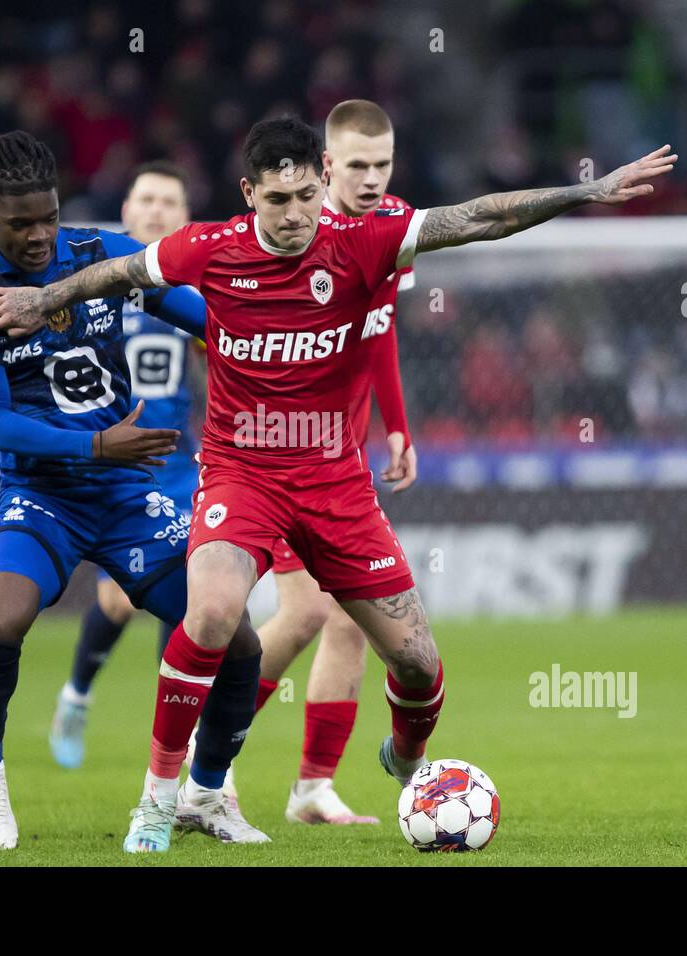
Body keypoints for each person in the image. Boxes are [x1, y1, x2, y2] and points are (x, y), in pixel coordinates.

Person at [0, 116, 676, 854]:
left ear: (322, 183)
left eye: (306, 195)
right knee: (213, 613)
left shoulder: (364, 239)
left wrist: (587, 190)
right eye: (275, 200)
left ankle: (405, 760)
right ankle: (161, 800)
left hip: (336, 483)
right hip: (240, 473)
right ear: (249, 193)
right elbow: (120, 271)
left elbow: (480, 217)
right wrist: (40, 299)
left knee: (416, 662)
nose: (292, 215)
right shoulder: (209, 249)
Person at [0, 93, 265, 851]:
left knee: (234, 638)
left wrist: (265, 336)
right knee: (0, 617)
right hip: (45, 492)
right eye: (22, 224)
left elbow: (201, 316)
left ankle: (207, 795)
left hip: (128, 493)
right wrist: (92, 448)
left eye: (48, 216)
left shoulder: (98, 256)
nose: (41, 235)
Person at [249, 99, 418, 827]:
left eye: (382, 164)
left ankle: (312, 790)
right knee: (308, 612)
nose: (373, 179)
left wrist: (397, 428)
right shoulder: (297, 228)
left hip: (342, 456)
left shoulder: (392, 228)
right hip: (282, 453)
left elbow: (380, 329)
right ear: (327, 165)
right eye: (357, 166)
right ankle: (202, 757)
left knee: (350, 620)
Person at [49, 161, 206, 770]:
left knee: (189, 595)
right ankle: (77, 695)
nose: (158, 209)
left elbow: (224, 353)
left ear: (186, 217)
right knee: (118, 603)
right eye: (147, 198)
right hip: (117, 466)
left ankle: (177, 730)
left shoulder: (192, 292)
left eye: (171, 200)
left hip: (179, 464)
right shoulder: (95, 282)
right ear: (127, 211)